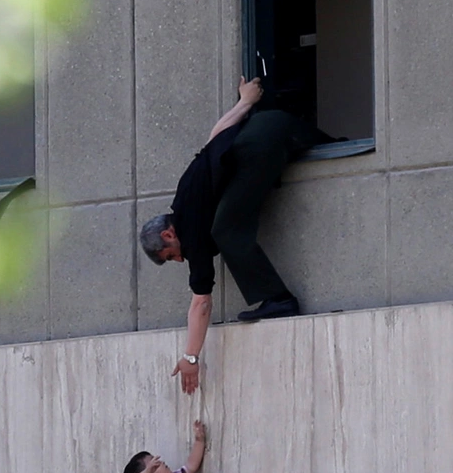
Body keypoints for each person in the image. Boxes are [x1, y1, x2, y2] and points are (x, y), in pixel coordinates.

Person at [139, 77, 332, 394]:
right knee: (319, 140)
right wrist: (245, 103)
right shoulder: (186, 194)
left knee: (225, 230)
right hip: (268, 127)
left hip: (263, 140)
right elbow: (214, 137)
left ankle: (280, 300)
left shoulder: (194, 232)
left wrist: (191, 356)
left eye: (171, 253)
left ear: (169, 232)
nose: (180, 258)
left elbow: (201, 302)